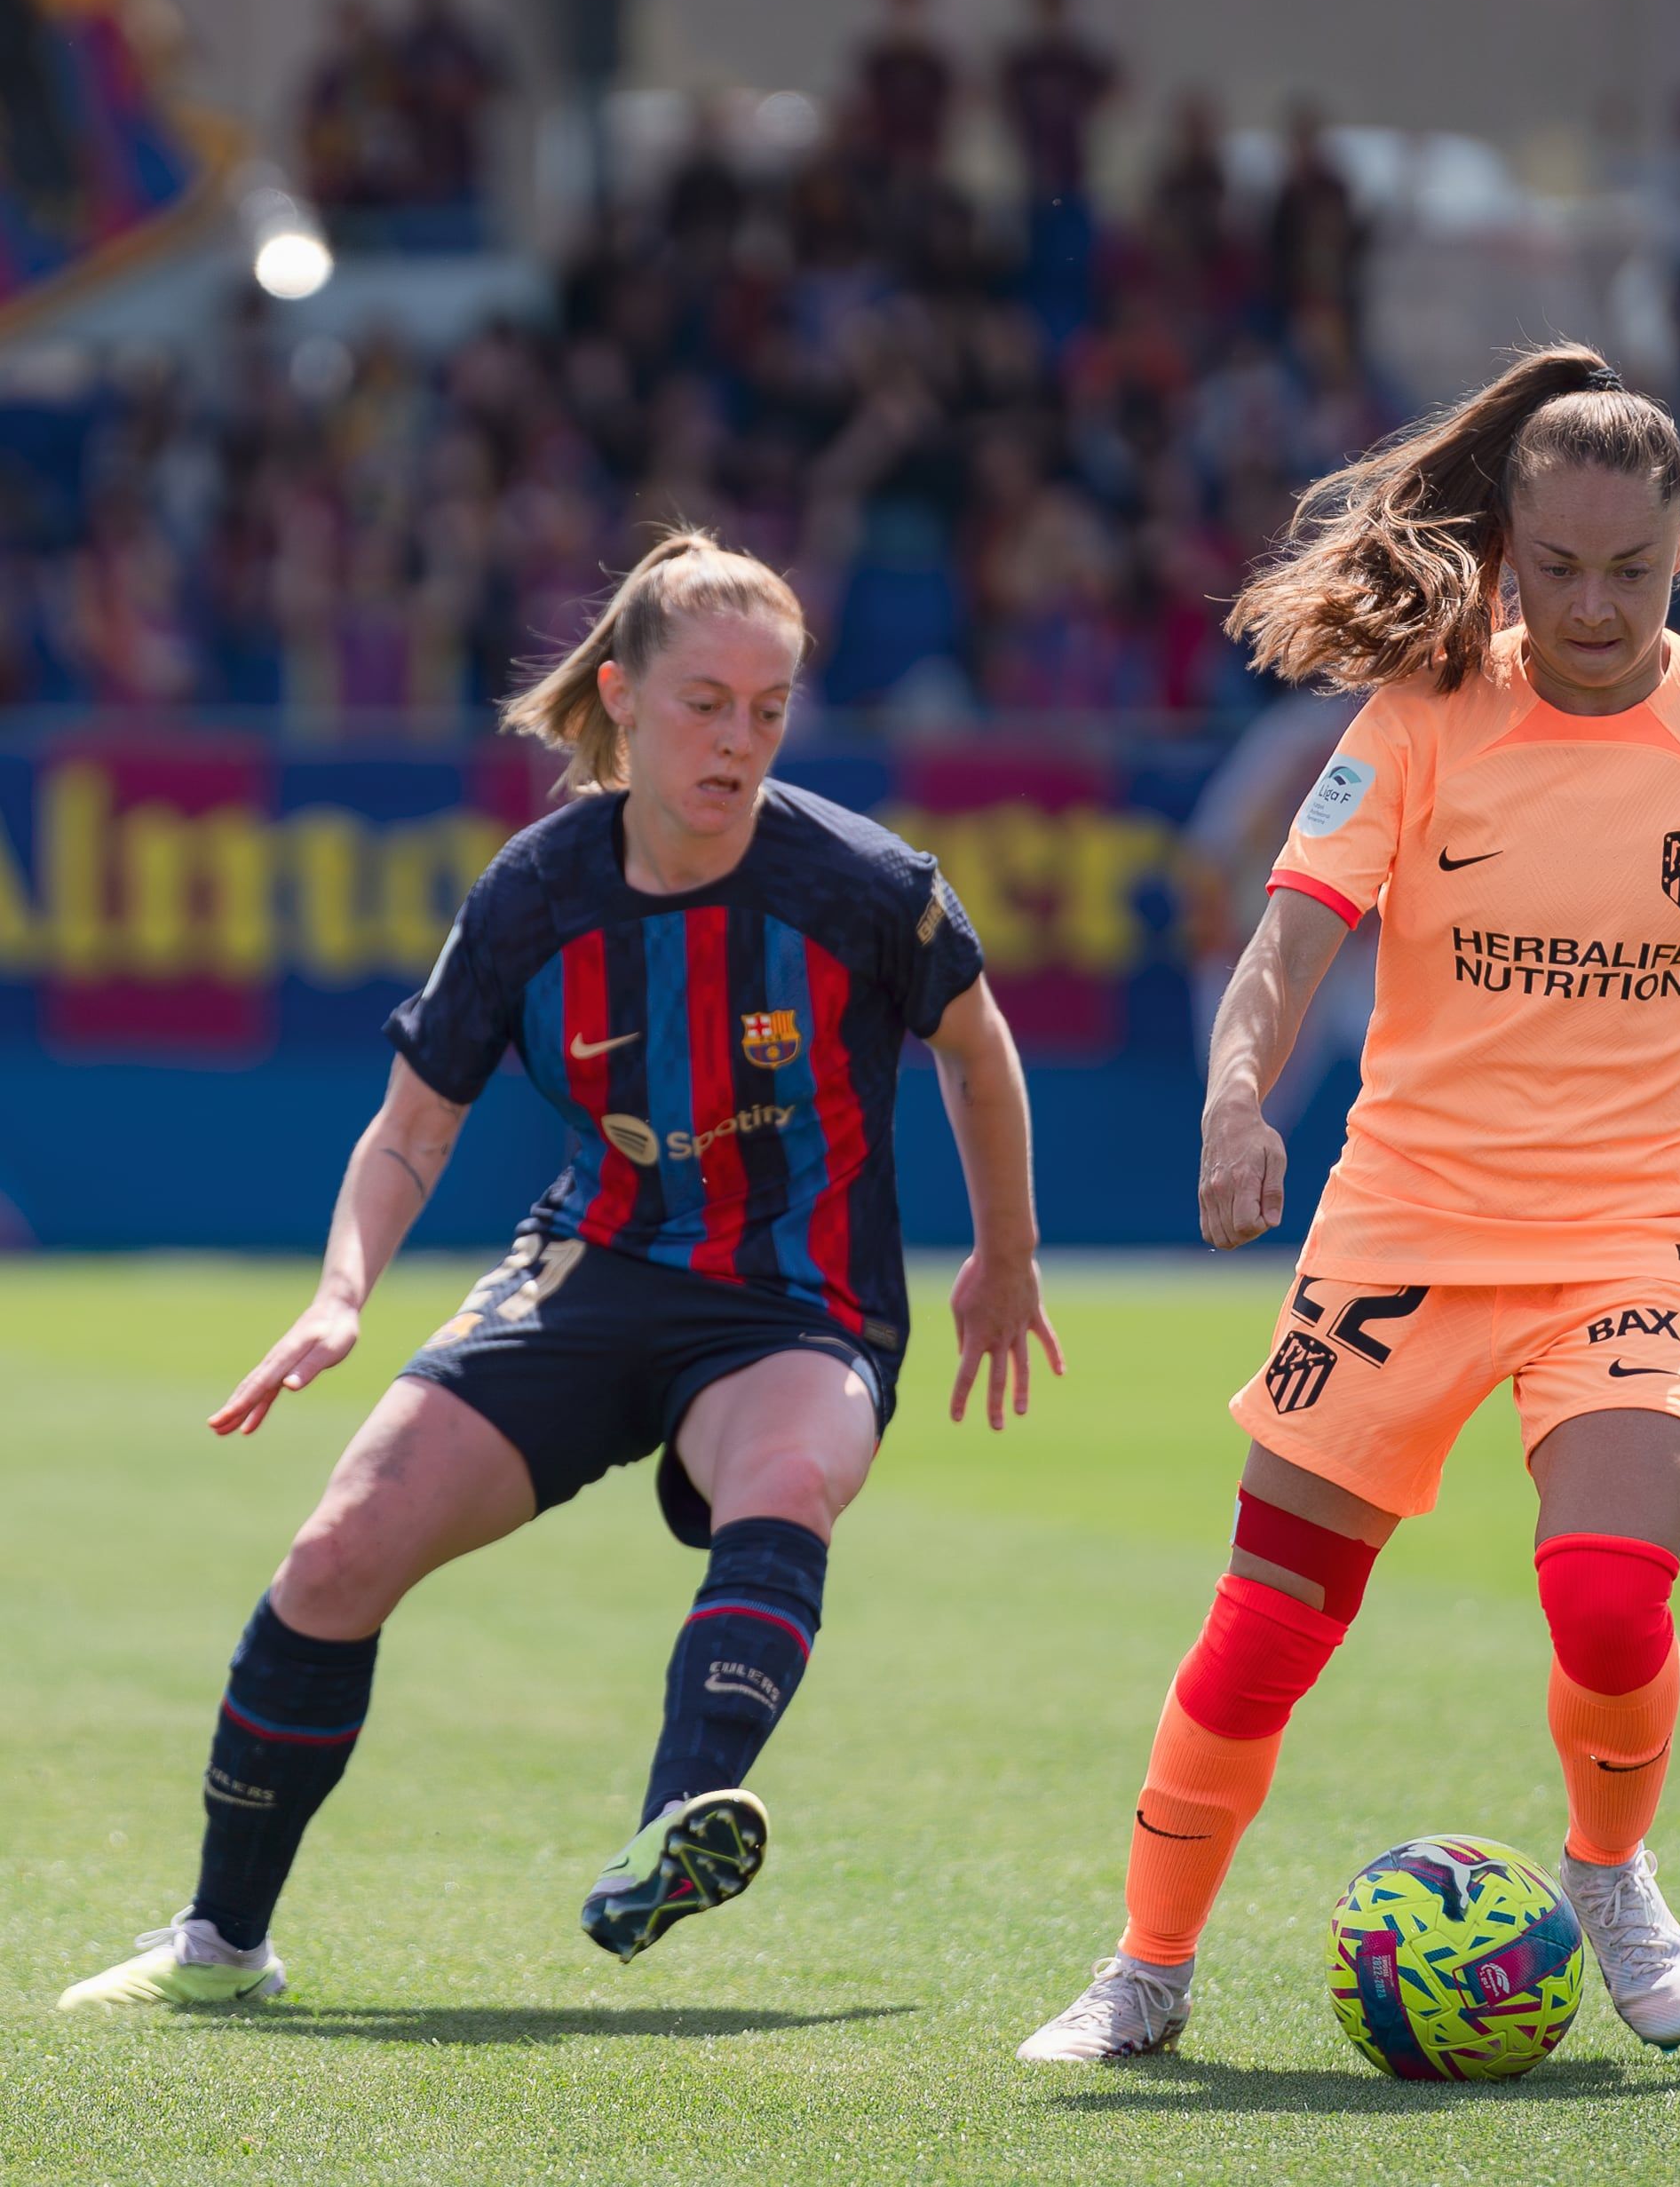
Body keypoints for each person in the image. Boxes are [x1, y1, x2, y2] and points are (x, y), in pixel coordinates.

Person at [1018, 345, 1680, 2063]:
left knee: (1609, 1602)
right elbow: (1287, 934)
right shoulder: (1420, 717)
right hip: (1401, 1225)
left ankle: (1606, 1868)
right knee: (1259, 1634)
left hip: (1637, 1231)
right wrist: (1237, 1097)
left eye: (1631, 570)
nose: (1594, 607)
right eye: (1557, 570)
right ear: (1503, 550)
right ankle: (1146, 1969)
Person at [60, 529, 1061, 2011]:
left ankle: (678, 1818)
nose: (738, 740)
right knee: (339, 1552)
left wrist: (1006, 1252)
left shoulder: (863, 882)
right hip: (593, 1261)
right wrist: (342, 1292)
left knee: (781, 1484)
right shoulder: (534, 895)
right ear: (622, 697)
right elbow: (412, 1129)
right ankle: (219, 1943)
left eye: (769, 709)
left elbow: (977, 1050)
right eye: (705, 703)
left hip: (800, 1298)